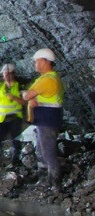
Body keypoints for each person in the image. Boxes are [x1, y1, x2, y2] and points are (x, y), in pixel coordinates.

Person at [22, 48, 64, 190]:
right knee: (41, 150)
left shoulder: (48, 79)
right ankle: (44, 181)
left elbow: (27, 96)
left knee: (48, 152)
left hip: (48, 120)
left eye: (37, 61)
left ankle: (55, 185)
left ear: (45, 61)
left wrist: (28, 95)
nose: (35, 63)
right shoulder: (46, 78)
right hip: (44, 120)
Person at [0, 64, 23, 167]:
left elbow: (24, 102)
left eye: (7, 74)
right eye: (4, 74)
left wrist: (14, 98)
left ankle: (15, 161)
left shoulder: (18, 86)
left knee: (16, 140)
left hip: (14, 118)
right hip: (1, 119)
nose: (5, 76)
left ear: (12, 74)